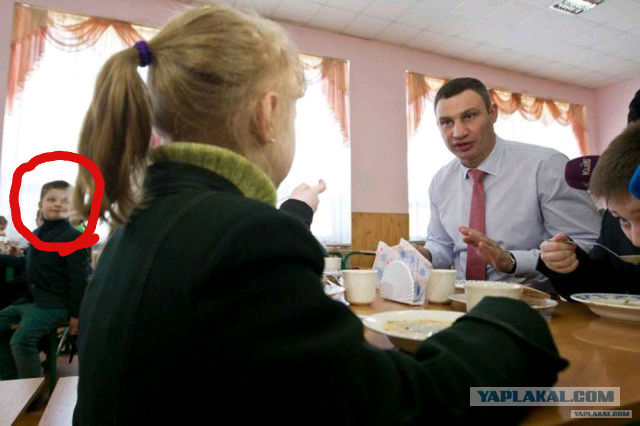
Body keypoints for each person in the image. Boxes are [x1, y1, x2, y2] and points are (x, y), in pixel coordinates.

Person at [71, 5, 568, 424]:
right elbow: (407, 410)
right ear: (267, 114)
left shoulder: (136, 224)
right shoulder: (244, 235)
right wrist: (509, 317)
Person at [413, 77, 600, 295]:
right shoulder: (440, 181)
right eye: (447, 122)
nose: (458, 132)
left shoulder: (546, 166)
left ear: (493, 113)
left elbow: (588, 244)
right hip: (461, 304)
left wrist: (512, 261)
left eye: (469, 116)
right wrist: (424, 255)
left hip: (538, 307)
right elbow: (442, 245)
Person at [538, 122, 640, 298]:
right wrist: (566, 265)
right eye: (624, 220)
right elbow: (599, 287)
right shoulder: (612, 223)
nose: (636, 240)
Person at [0, 180, 90, 380]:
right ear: (41, 205)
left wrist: (77, 315)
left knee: (22, 340)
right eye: (51, 199)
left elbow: (79, 279)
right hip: (32, 301)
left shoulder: (74, 238)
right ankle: (10, 381)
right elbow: (32, 266)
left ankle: (31, 394)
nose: (58, 204)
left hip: (56, 304)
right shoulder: (36, 235)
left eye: (65, 201)